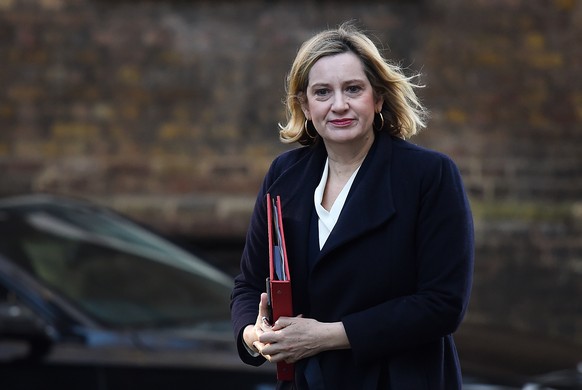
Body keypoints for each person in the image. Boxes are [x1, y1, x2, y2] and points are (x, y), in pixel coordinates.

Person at [230, 21, 474, 390]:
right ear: (305, 105)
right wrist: (254, 334)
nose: (339, 104)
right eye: (323, 92)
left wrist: (326, 335)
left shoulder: (429, 175)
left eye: (353, 89)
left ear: (377, 99)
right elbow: (248, 284)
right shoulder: (285, 175)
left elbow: (443, 304)